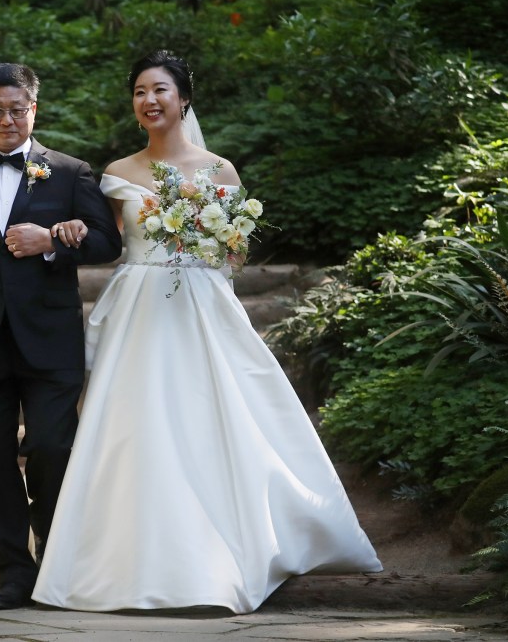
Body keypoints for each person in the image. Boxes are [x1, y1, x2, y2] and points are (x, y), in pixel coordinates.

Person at [31, 50, 383, 614]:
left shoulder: (221, 171)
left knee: (214, 414)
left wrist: (205, 241)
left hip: (202, 302)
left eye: (160, 90)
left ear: (184, 99)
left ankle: (231, 546)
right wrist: (68, 229)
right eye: (140, 91)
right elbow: (108, 242)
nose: (149, 100)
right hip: (138, 307)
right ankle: (120, 554)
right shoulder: (117, 171)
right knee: (132, 422)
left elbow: (235, 255)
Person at [0, 63, 123, 610]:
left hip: (50, 340)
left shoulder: (71, 172)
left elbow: (107, 243)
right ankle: (15, 573)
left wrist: (52, 240)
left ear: (34, 109)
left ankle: (55, 564)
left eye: (17, 109)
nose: (7, 119)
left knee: (53, 448)